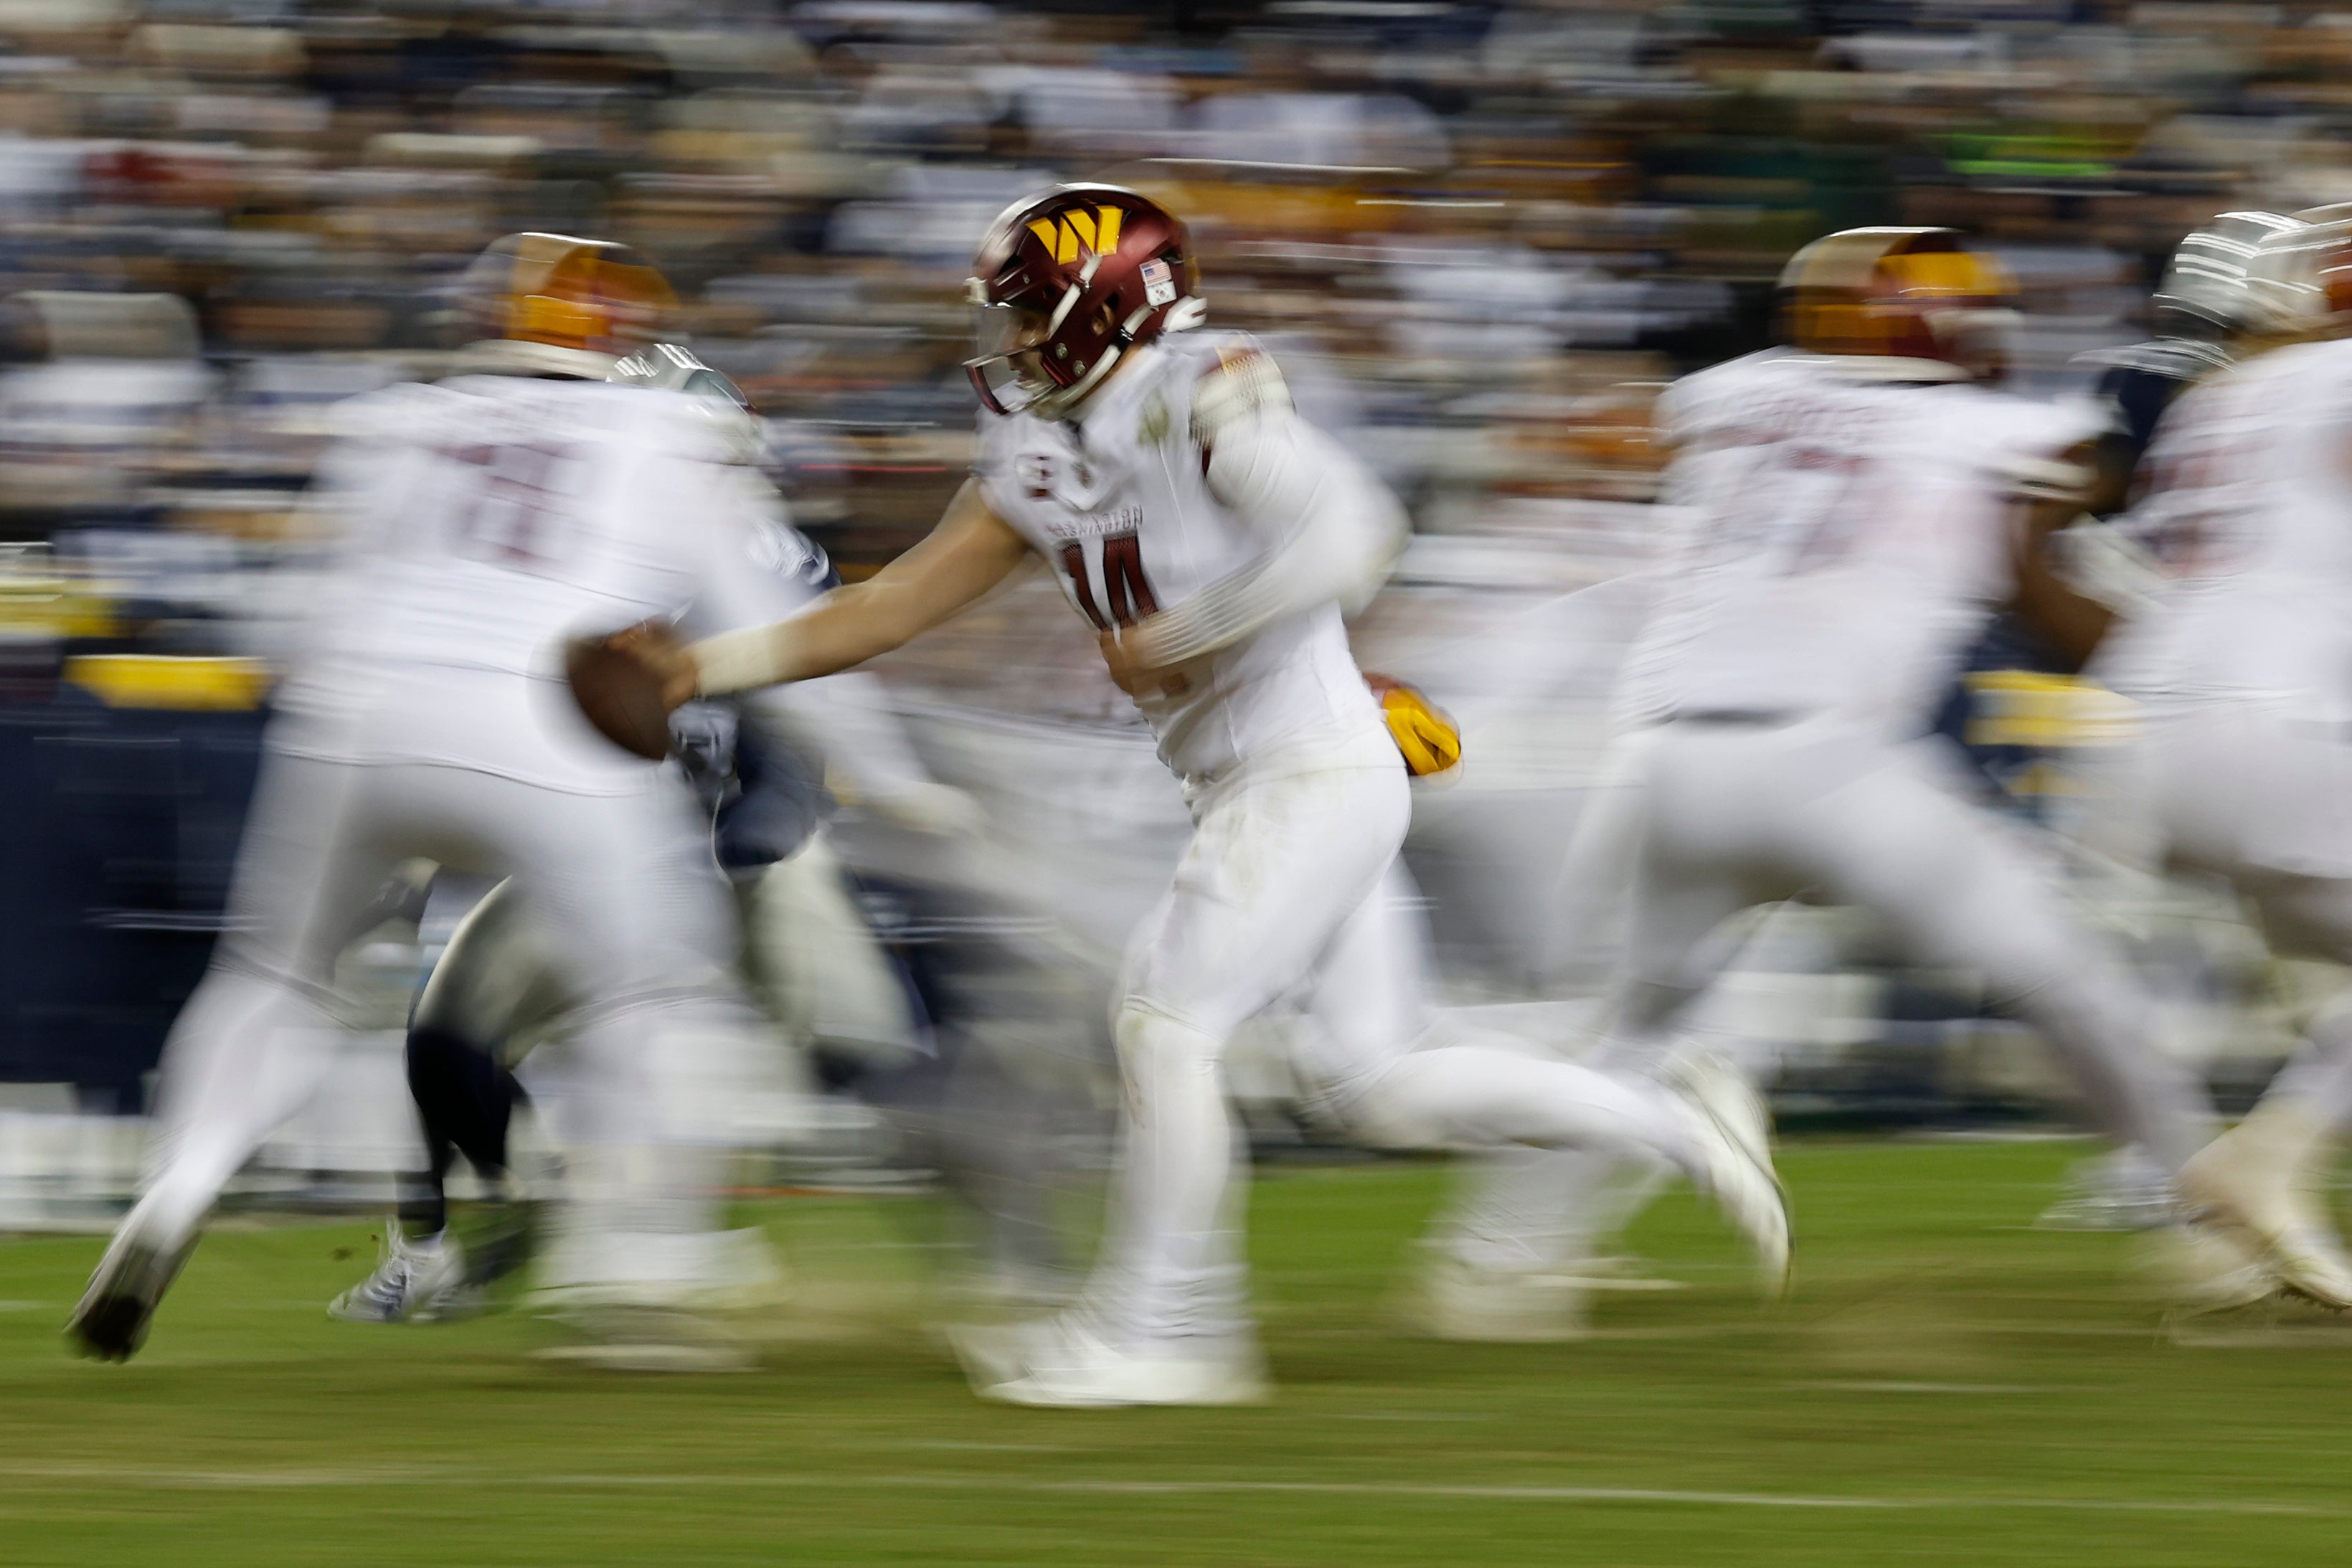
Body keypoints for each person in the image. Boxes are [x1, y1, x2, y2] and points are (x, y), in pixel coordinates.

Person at [580, 183, 1788, 1407]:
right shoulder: (1037, 447)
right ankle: (1660, 1106)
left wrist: (1191, 631)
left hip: (1310, 768)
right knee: (1375, 1078)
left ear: (1099, 307)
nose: (1003, 340)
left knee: (1167, 1021)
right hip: (1262, 780)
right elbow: (885, 609)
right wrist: (695, 667)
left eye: (1024, 312)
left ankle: (1169, 1329)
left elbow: (1353, 530)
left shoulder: (1200, 385)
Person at [1422, 227, 2233, 1338]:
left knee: (1631, 1030)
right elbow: (2052, 531)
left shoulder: (1727, 397)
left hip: (1666, 762)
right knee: (2069, 979)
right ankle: (2219, 1223)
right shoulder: (1984, 424)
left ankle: (1498, 1263)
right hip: (1830, 765)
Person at [68, 235, 813, 1366]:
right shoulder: (663, 440)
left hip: (360, 720)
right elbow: (796, 648)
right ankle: (635, 1277)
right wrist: (887, 781)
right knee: (650, 997)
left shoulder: (403, 416)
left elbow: (291, 630)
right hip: (571, 770)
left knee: (273, 980)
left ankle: (176, 1190)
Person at [2093, 211, 2352, 1307]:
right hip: (2279, 723)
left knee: (2335, 998)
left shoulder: (2218, 396)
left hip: (2146, 730)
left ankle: (2221, 1245)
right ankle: (2265, 1163)